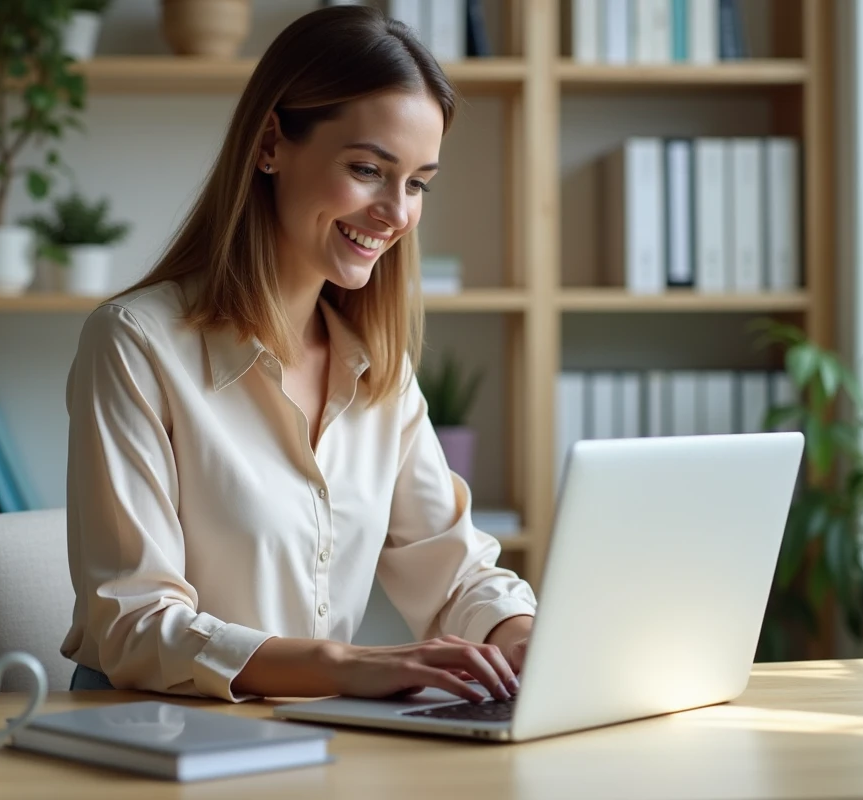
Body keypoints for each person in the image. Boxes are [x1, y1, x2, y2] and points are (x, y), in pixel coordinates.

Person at [60, 5, 537, 704]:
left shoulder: (377, 369)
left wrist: (525, 637)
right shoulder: (136, 343)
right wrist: (345, 666)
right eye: (368, 169)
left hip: (314, 733)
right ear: (270, 145)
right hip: (156, 729)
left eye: (417, 183)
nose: (397, 213)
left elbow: (455, 571)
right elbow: (136, 625)